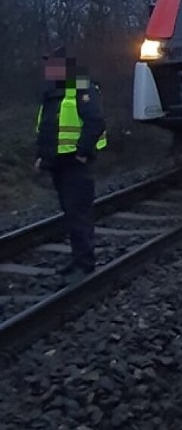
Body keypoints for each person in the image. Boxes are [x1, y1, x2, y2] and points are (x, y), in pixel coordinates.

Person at [35, 48, 107, 279]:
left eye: (52, 64)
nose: (48, 70)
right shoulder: (52, 93)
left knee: (79, 213)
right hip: (58, 163)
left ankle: (85, 263)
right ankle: (77, 259)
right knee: (70, 214)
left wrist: (83, 153)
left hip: (75, 163)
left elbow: (95, 121)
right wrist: (42, 157)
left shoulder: (82, 88)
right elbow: (46, 129)